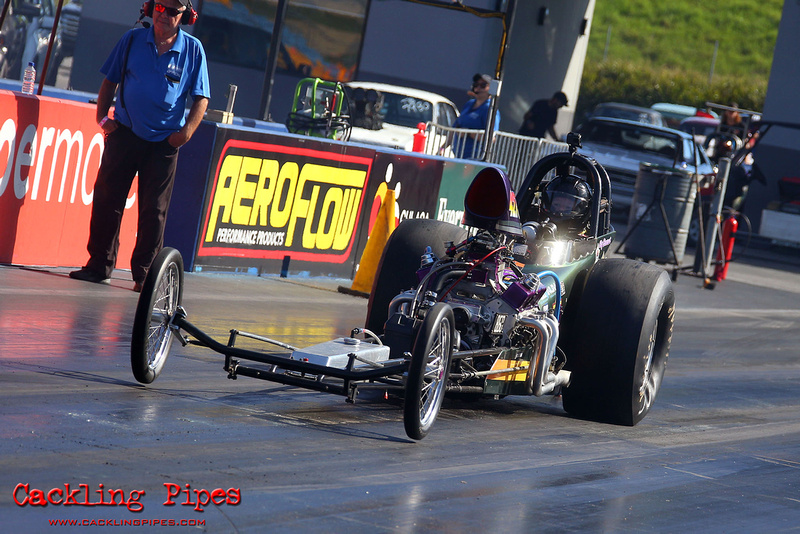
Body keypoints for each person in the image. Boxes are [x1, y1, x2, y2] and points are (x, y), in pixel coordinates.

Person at [70, 0, 210, 292]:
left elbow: (202, 99)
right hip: (125, 132)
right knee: (107, 200)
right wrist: (101, 118)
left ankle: (144, 275)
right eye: (160, 7)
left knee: (153, 211)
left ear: (185, 16)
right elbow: (109, 81)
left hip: (163, 143)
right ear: (150, 9)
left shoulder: (193, 50)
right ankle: (99, 266)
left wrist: (184, 135)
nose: (164, 15)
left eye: (172, 11)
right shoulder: (132, 39)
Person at [449, 74, 501, 159]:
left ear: (491, 89)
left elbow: (492, 138)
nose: (478, 88)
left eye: (483, 85)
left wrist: (468, 133)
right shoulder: (469, 104)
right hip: (458, 157)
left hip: (476, 158)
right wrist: (442, 148)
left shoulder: (490, 109)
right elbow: (454, 128)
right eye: (476, 85)